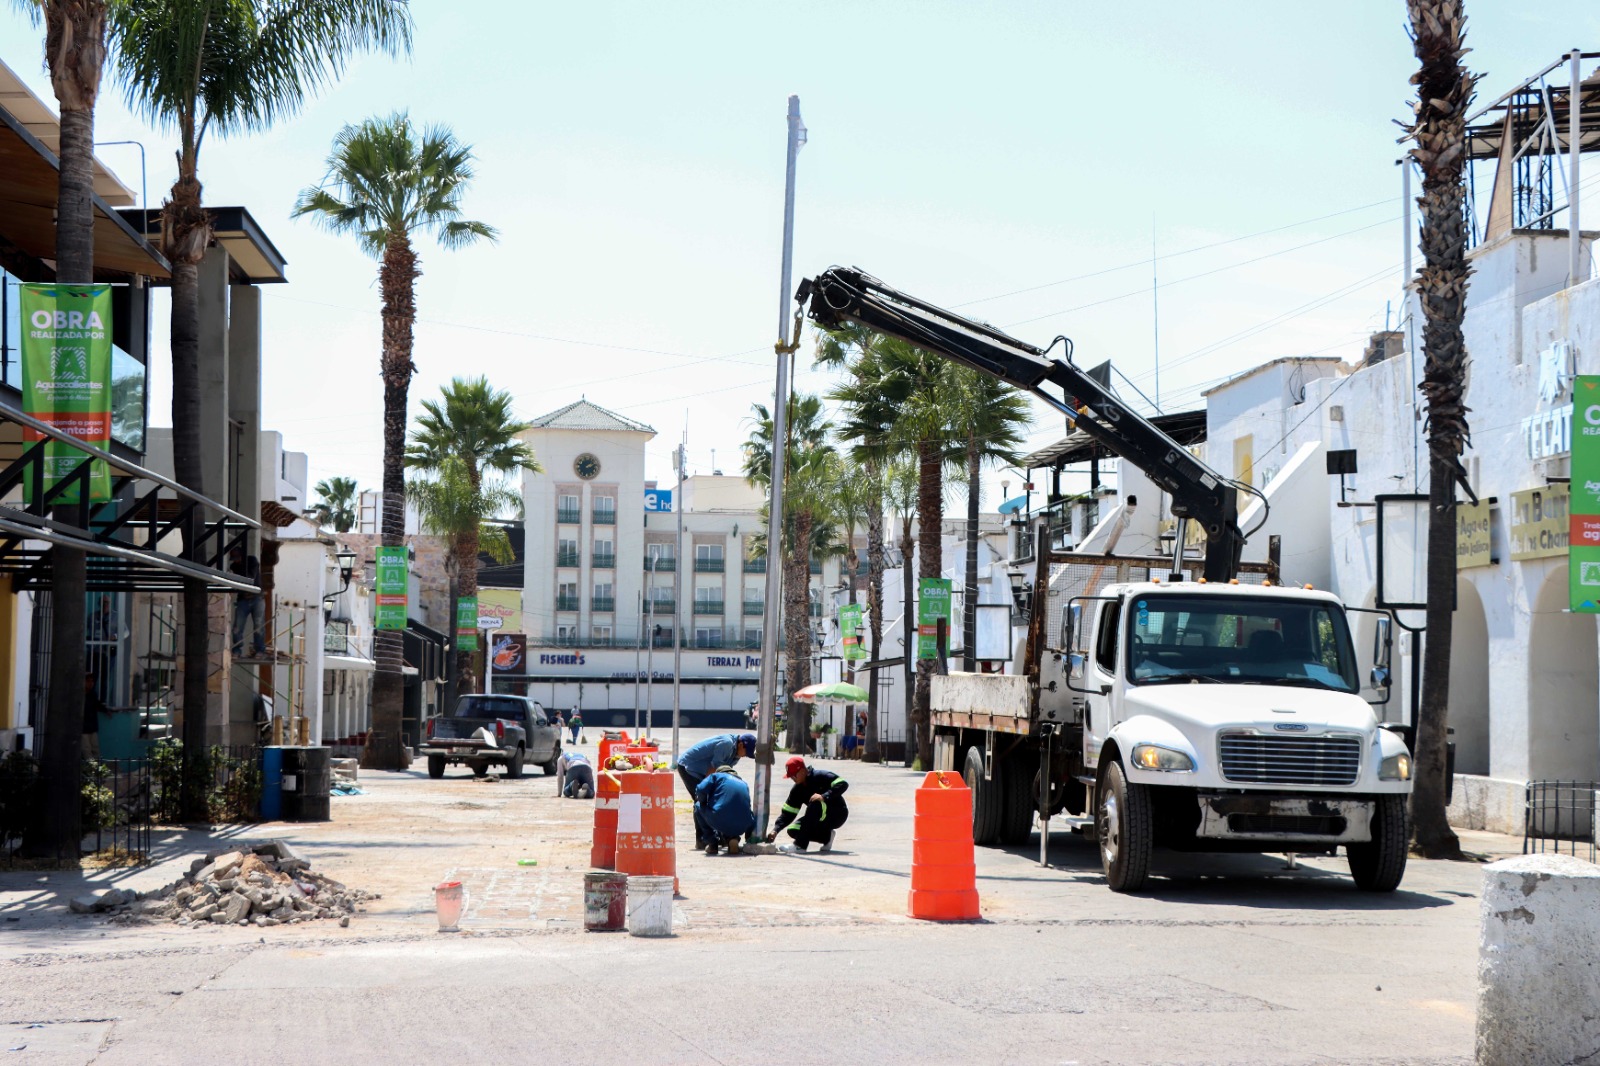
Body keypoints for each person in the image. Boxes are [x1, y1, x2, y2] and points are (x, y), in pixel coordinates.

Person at [767, 755, 849, 853]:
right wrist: (775, 830)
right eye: (790, 776)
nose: (792, 778)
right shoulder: (797, 790)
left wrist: (824, 796)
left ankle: (800, 846)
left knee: (815, 802)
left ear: (802, 771)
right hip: (819, 818)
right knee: (793, 830)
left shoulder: (820, 775)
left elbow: (843, 783)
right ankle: (827, 837)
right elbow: (788, 813)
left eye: (794, 775)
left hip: (837, 814)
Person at [694, 766, 755, 856]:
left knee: (698, 806)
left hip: (719, 818)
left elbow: (700, 789)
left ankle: (712, 844)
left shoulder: (716, 776)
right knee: (740, 812)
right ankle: (734, 839)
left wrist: (703, 802)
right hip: (744, 824)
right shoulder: (744, 783)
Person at [230, 547, 267, 658]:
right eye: (235, 559)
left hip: (257, 598)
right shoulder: (234, 566)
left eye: (238, 558)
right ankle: (236, 650)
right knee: (237, 627)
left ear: (242, 556)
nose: (236, 561)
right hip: (243, 599)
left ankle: (259, 650)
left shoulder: (252, 561)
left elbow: (250, 577)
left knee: (259, 625)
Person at [82, 672, 105, 761]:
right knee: (86, 749)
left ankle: (96, 767)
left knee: (95, 748)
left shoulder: (92, 694)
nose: (90, 683)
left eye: (92, 681)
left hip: (92, 727)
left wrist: (106, 710)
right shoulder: (80, 695)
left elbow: (97, 705)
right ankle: (91, 767)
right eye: (88, 681)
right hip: (83, 728)